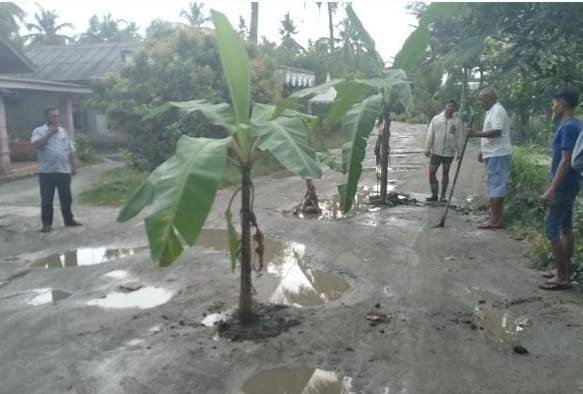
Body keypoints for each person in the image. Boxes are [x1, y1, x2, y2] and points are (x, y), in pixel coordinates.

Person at [539, 87, 581, 290]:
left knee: (551, 227)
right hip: (568, 183)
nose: (553, 105)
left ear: (562, 104)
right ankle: (562, 269)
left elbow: (565, 161)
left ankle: (562, 276)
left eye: (555, 102)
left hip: (564, 185)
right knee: (565, 227)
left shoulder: (568, 127)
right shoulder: (572, 125)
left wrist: (551, 189)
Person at [31, 108, 81, 233]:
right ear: (47, 118)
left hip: (63, 170)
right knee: (47, 199)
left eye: (58, 116)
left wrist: (73, 165)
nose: (56, 119)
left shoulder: (63, 131)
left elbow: (70, 148)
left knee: (66, 198)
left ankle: (69, 220)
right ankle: (47, 224)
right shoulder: (38, 131)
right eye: (53, 116)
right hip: (47, 172)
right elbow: (36, 145)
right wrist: (49, 133)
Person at [468, 87, 512, 228]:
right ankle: (496, 217)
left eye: (482, 99)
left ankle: (494, 220)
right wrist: (483, 150)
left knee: (495, 187)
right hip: (493, 152)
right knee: (495, 186)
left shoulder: (497, 110)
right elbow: (491, 133)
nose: (480, 102)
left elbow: (497, 131)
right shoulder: (491, 111)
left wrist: (476, 133)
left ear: (489, 98)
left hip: (497, 153)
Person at [424, 99, 465, 202]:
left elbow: (460, 138)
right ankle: (434, 194)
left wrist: (459, 153)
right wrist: (427, 148)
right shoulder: (436, 119)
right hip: (436, 151)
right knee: (431, 173)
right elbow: (430, 134)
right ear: (445, 106)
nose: (450, 108)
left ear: (455, 109)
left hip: (449, 152)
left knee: (445, 173)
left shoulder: (457, 122)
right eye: (449, 105)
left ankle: (442, 196)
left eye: (453, 106)